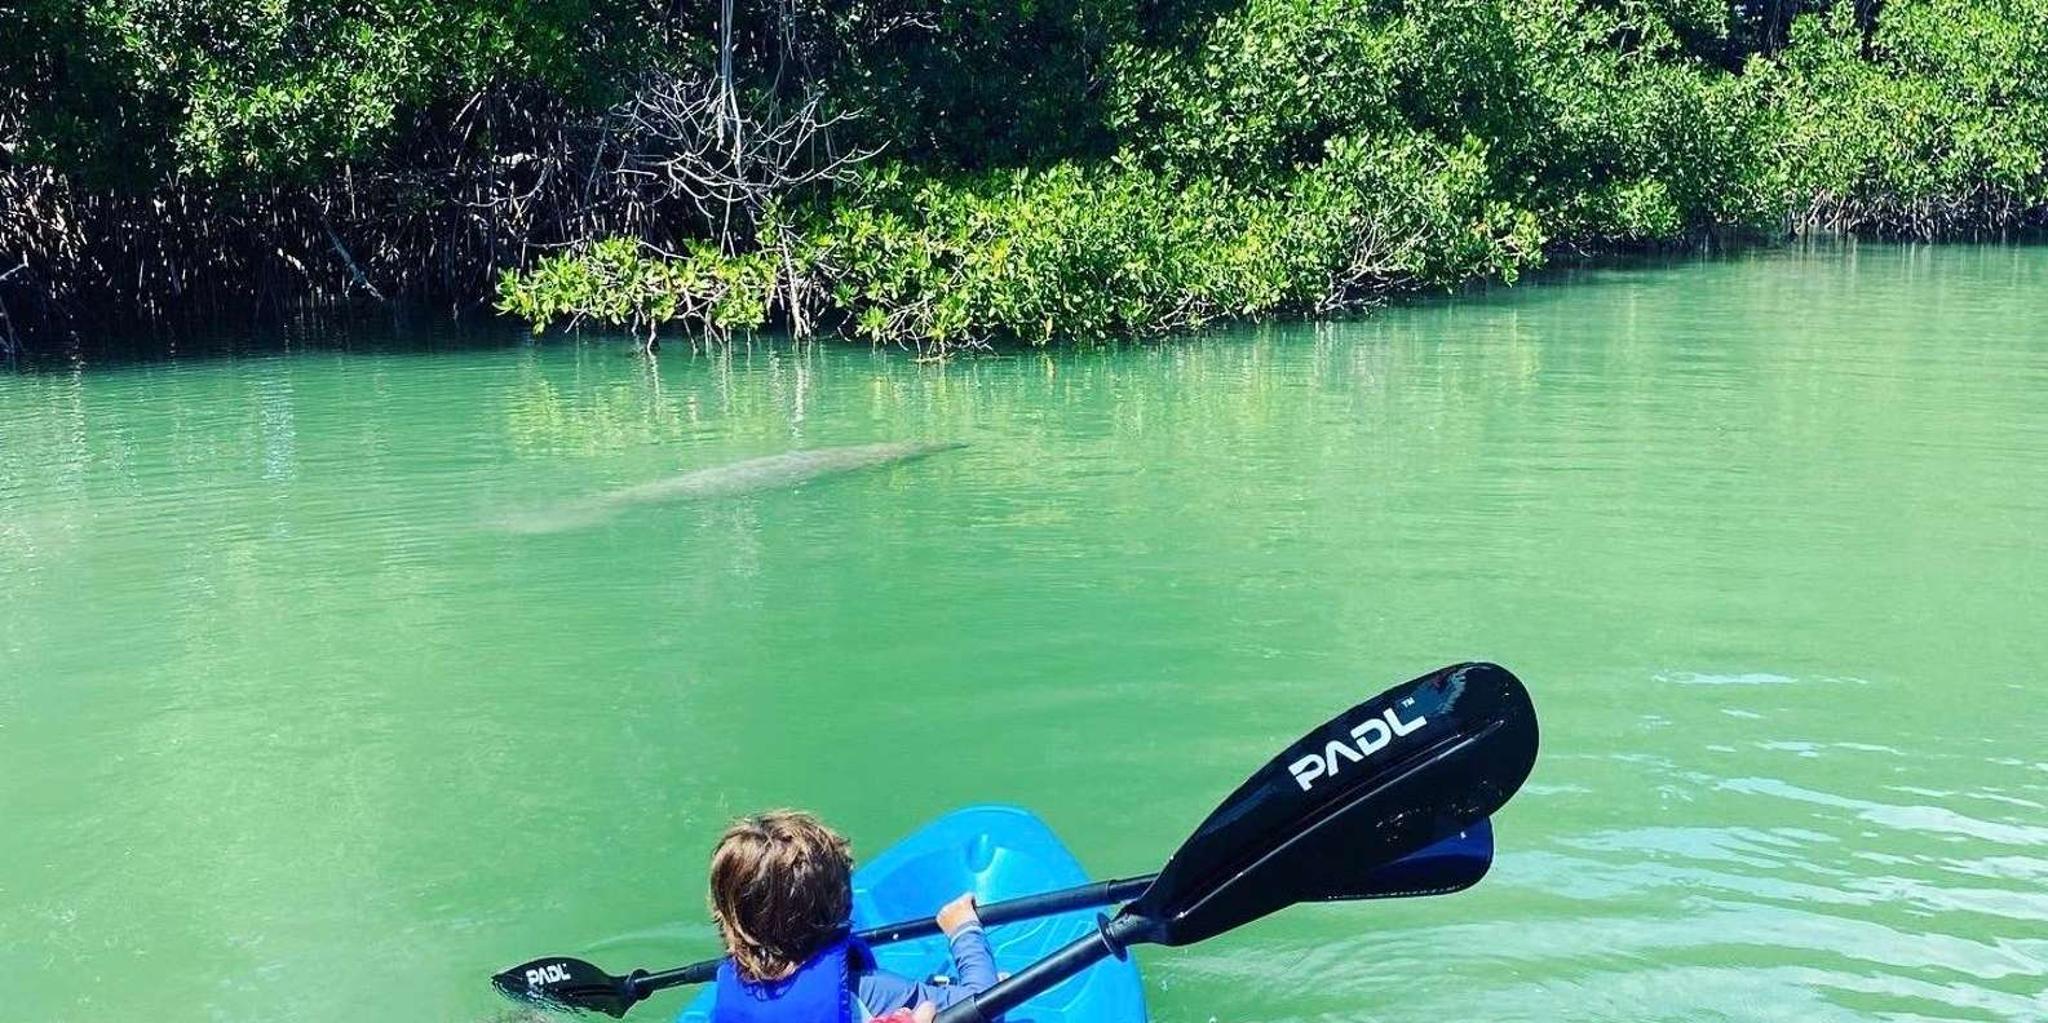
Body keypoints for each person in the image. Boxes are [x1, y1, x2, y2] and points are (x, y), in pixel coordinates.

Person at [708, 811, 1001, 1023]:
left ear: (727, 916)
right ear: (844, 903)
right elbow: (987, 1002)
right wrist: (964, 930)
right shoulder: (871, 991)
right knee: (999, 982)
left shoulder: (731, 992)